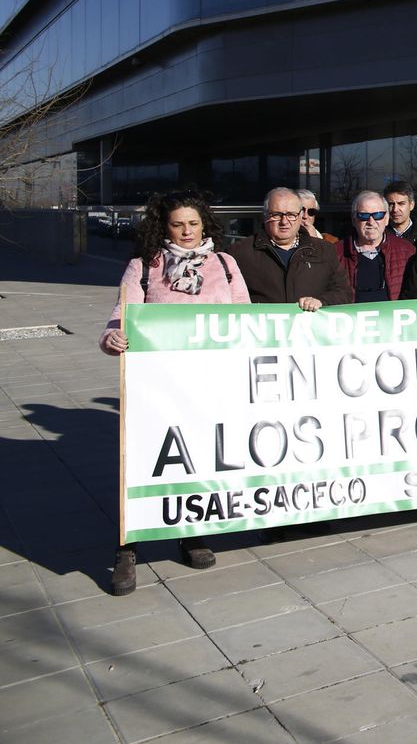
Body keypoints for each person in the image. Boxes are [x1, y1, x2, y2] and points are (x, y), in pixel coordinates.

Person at [100, 191, 250, 595]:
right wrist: (112, 336)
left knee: (197, 460)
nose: (186, 232)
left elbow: (246, 317)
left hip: (210, 386)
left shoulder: (225, 264)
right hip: (158, 388)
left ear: (205, 225)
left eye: (193, 224)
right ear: (164, 226)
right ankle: (127, 549)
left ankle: (191, 533)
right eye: (178, 224)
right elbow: (120, 316)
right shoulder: (144, 267)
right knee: (145, 465)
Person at [232, 188, 352, 309]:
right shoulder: (240, 253)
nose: (284, 221)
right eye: (277, 215)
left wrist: (322, 302)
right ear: (265, 216)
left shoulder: (324, 251)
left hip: (310, 321)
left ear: (300, 216)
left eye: (291, 215)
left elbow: (344, 293)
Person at [338, 191, 416, 303]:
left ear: (387, 219)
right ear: (354, 220)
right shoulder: (335, 253)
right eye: (364, 216)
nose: (371, 222)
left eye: (378, 215)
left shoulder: (406, 251)